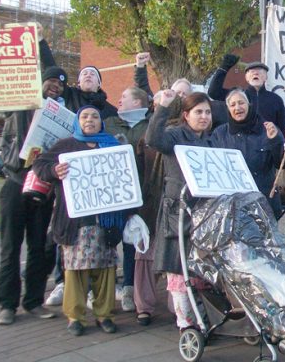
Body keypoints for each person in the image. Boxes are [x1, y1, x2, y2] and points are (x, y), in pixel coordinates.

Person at [33, 106, 124, 336]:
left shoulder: (112, 144)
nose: (90, 120)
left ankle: (104, 315)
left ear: (101, 121)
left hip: (105, 220)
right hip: (75, 222)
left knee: (106, 270)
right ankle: (76, 317)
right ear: (77, 121)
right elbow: (40, 166)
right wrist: (54, 170)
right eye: (85, 116)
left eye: (95, 116)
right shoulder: (65, 145)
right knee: (75, 271)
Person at [0, 65, 67, 325]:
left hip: (42, 186)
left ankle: (34, 301)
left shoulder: (60, 118)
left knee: (39, 247)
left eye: (60, 86)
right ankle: (7, 305)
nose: (55, 87)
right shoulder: (20, 105)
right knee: (10, 246)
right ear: (39, 82)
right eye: (50, 82)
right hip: (15, 183)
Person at [145, 90, 212, 332]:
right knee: (178, 269)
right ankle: (186, 324)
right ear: (186, 114)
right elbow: (153, 139)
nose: (204, 116)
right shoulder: (174, 135)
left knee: (199, 270)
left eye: (207, 112)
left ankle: (202, 320)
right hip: (178, 210)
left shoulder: (210, 140)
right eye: (198, 112)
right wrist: (162, 108)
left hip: (203, 212)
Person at [104, 86, 152, 315]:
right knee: (108, 239)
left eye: (124, 97)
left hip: (140, 193)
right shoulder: (110, 123)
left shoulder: (149, 126)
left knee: (132, 243)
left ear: (137, 103)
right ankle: (103, 289)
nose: (119, 101)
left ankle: (129, 288)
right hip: (113, 194)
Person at [210, 88, 284, 216]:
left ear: (249, 105)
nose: (237, 107)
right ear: (228, 109)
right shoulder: (219, 134)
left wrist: (275, 140)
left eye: (241, 103)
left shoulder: (268, 129)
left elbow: (280, 162)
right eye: (232, 105)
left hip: (264, 203)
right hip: (231, 205)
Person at [208, 54, 285, 133]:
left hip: (267, 144)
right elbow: (213, 92)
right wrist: (224, 67)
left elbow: (284, 129)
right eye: (252, 71)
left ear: (266, 77)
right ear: (246, 77)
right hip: (241, 142)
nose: (256, 73)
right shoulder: (237, 96)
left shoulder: (276, 99)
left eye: (260, 71)